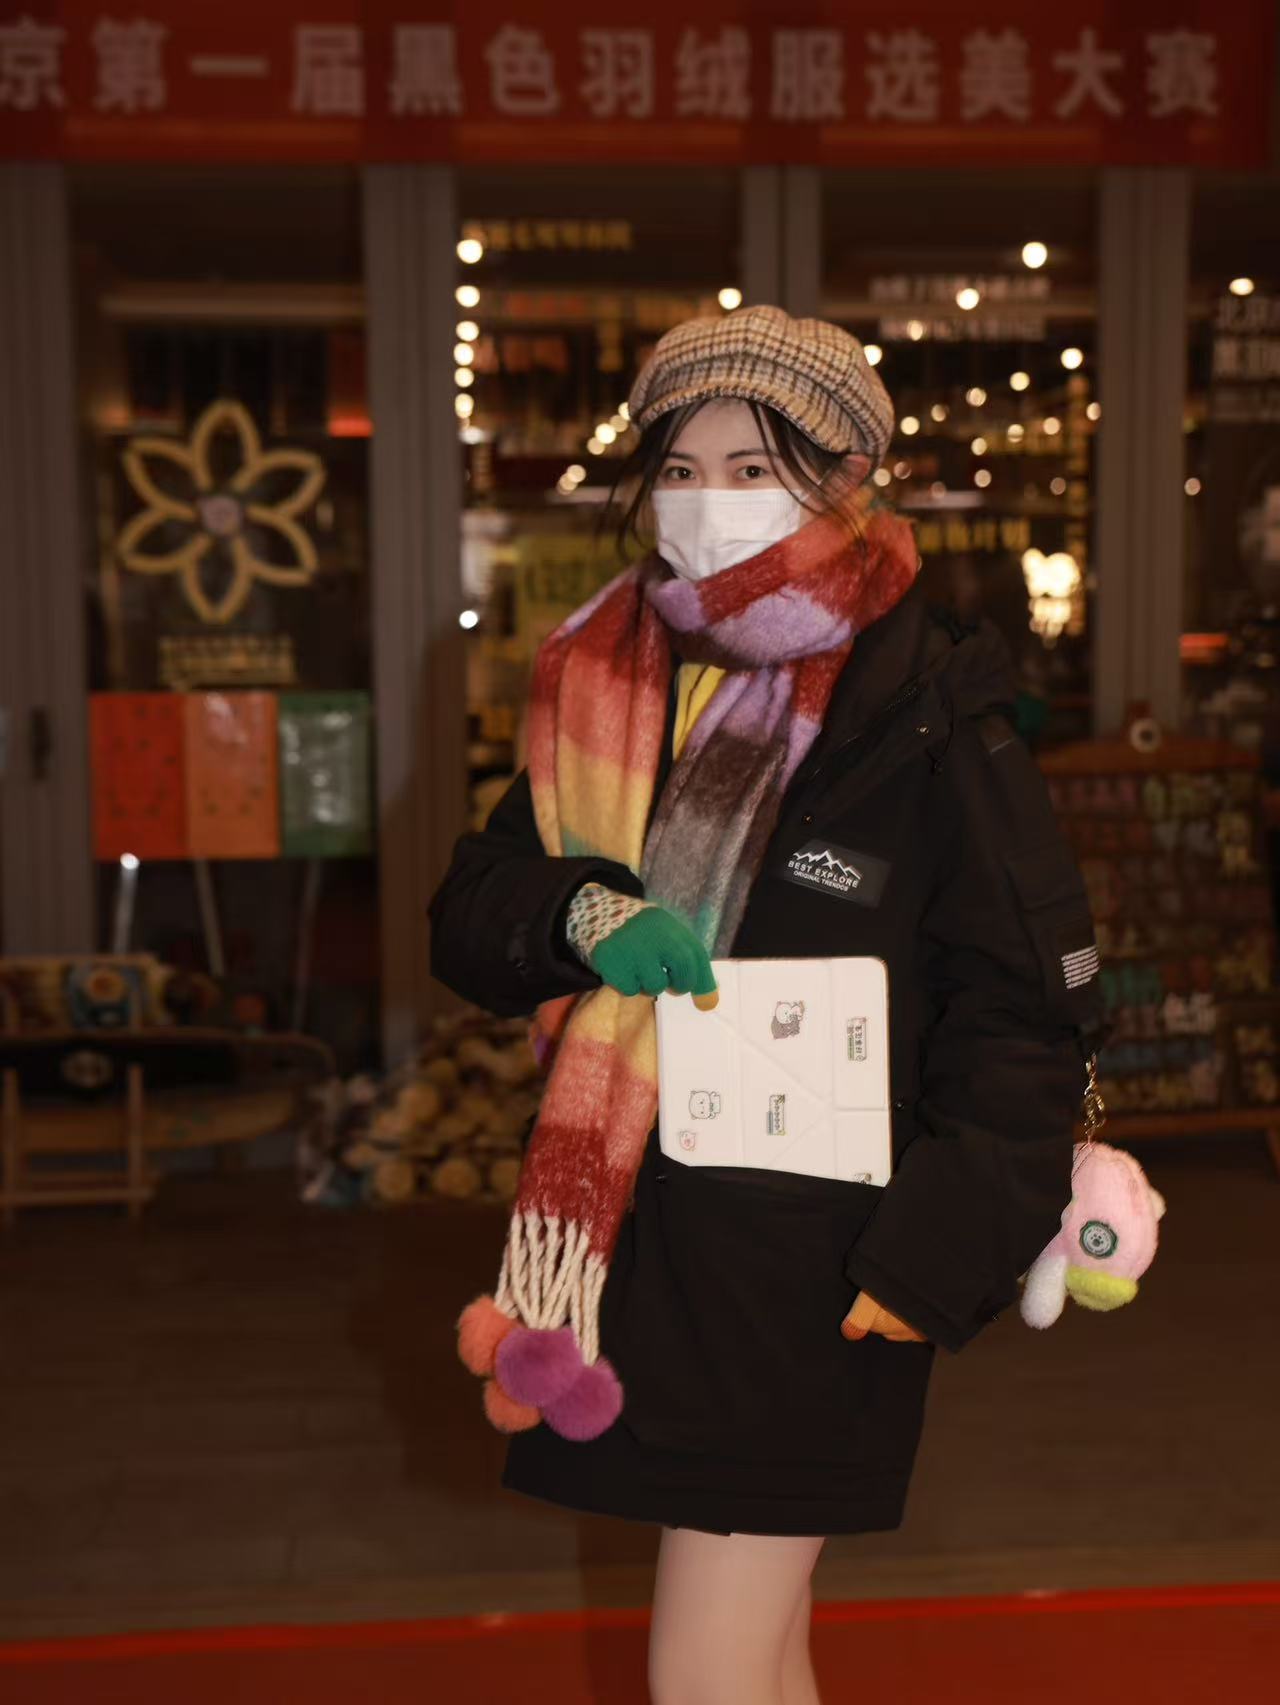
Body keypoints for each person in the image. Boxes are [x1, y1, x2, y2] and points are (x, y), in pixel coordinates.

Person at [429, 306, 1105, 1705]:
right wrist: (581, 912)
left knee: (707, 1669)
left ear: (846, 474)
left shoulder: (928, 710)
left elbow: (1019, 1015)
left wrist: (931, 1264)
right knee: (757, 1656)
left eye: (753, 467)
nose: (709, 498)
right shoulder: (610, 674)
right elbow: (474, 908)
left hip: (823, 1267)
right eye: (681, 466)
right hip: (648, 1249)